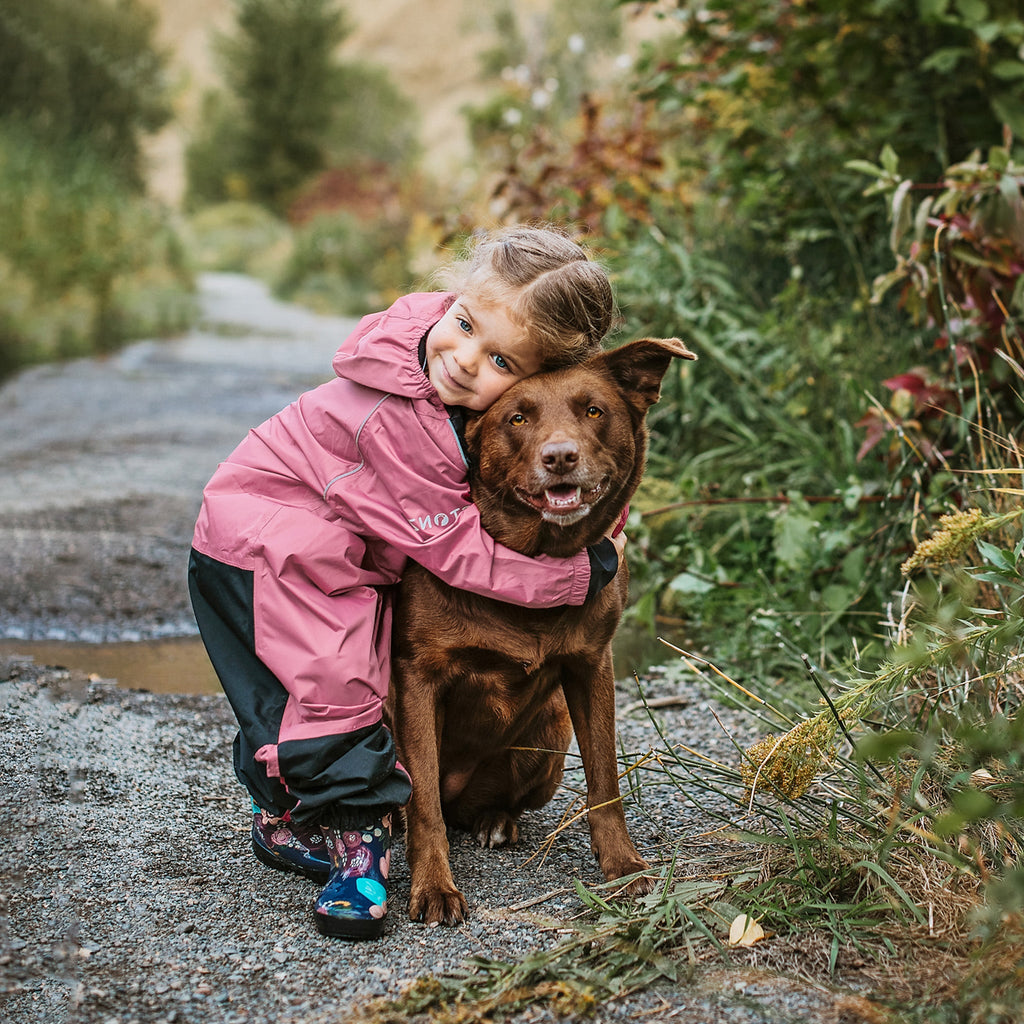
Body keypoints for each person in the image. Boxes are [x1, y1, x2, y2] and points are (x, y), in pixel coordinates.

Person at [187, 225, 625, 941]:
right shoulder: (398, 419)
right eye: (464, 326)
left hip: (325, 551)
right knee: (338, 686)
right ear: (452, 297)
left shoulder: (434, 378)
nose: (463, 358)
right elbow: (451, 544)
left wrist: (591, 520)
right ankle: (359, 846)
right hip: (272, 544)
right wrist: (576, 575)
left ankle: (281, 815)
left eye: (499, 359)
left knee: (281, 696)